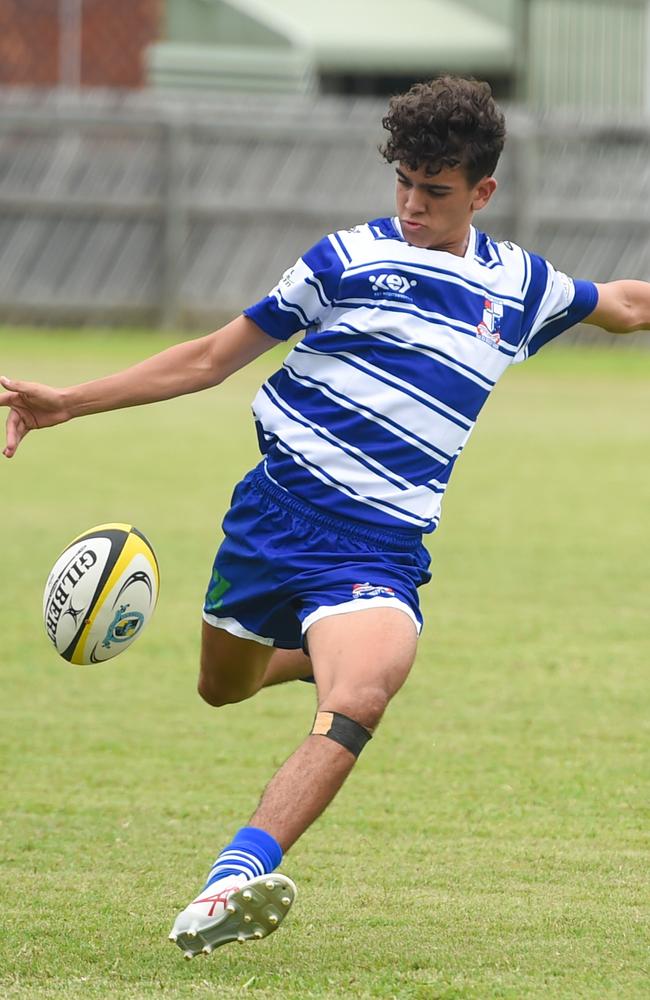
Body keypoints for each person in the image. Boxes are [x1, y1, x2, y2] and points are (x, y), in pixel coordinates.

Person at [2, 76, 649, 960]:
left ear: (483, 193)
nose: (414, 205)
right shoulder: (346, 261)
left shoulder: (523, 287)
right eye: (405, 184)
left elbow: (623, 303)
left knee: (364, 694)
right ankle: (320, 646)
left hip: (381, 549)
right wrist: (68, 402)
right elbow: (208, 359)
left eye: (437, 190)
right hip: (275, 518)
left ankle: (229, 880)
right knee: (221, 685)